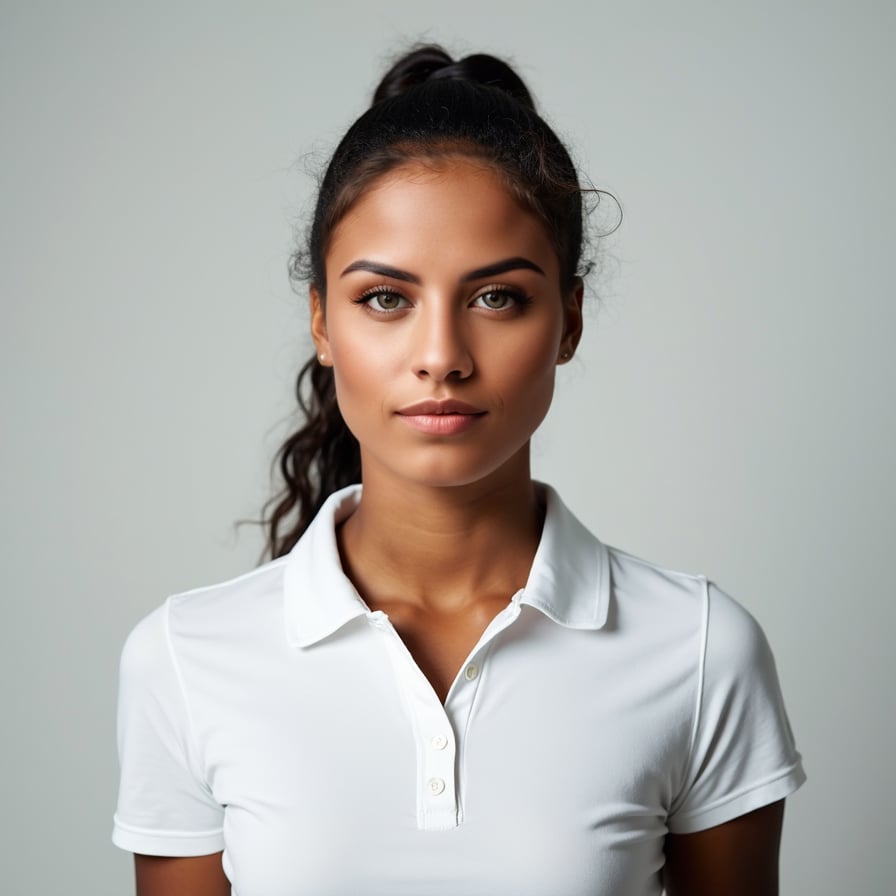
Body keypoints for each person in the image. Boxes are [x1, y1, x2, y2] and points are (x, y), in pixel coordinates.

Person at [112, 45, 805, 896]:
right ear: (323, 323)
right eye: (386, 299)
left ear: (569, 321)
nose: (440, 357)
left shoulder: (699, 651)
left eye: (496, 297)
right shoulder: (186, 660)